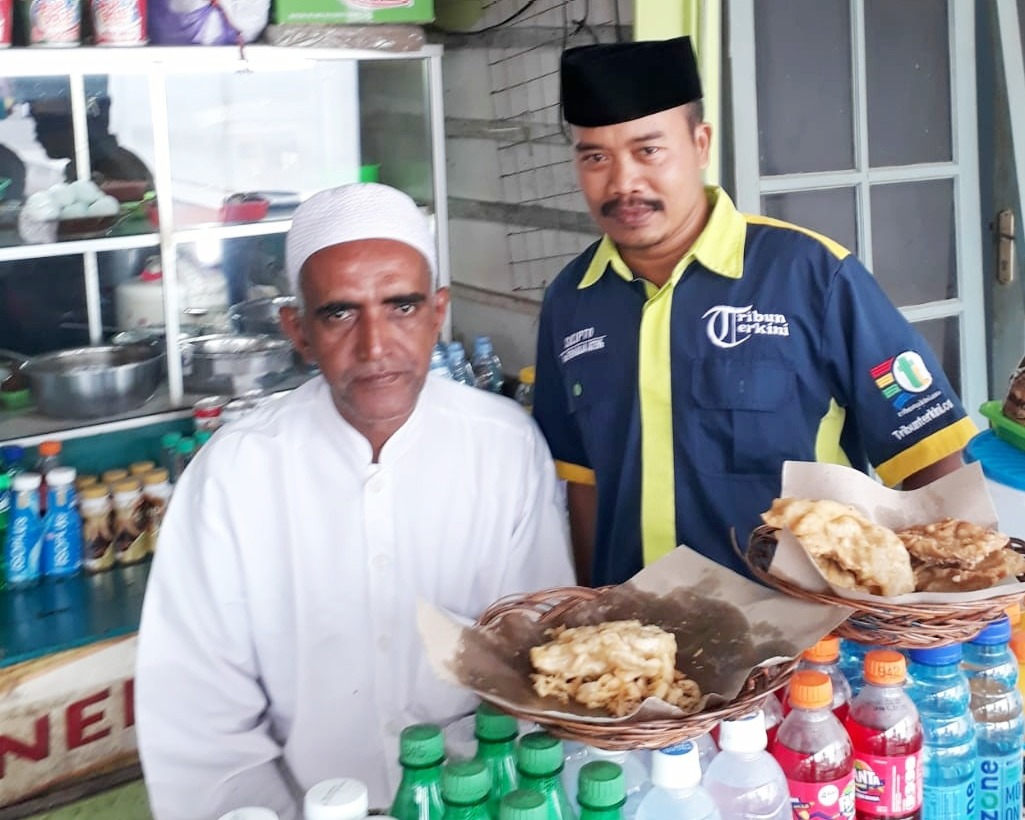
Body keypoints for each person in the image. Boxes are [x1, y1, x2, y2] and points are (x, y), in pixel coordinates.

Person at [135, 183, 574, 820]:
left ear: (437, 314)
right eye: (340, 313)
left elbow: (540, 662)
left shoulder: (504, 448)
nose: (375, 346)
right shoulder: (235, 473)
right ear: (299, 331)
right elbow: (201, 720)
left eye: (401, 307)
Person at [532, 36, 977, 588]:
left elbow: (929, 458)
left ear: (700, 144)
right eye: (596, 157)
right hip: (644, 653)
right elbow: (584, 483)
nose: (623, 183)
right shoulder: (571, 301)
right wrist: (593, 606)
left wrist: (943, 615)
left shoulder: (812, 276)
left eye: (649, 151)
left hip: (806, 647)